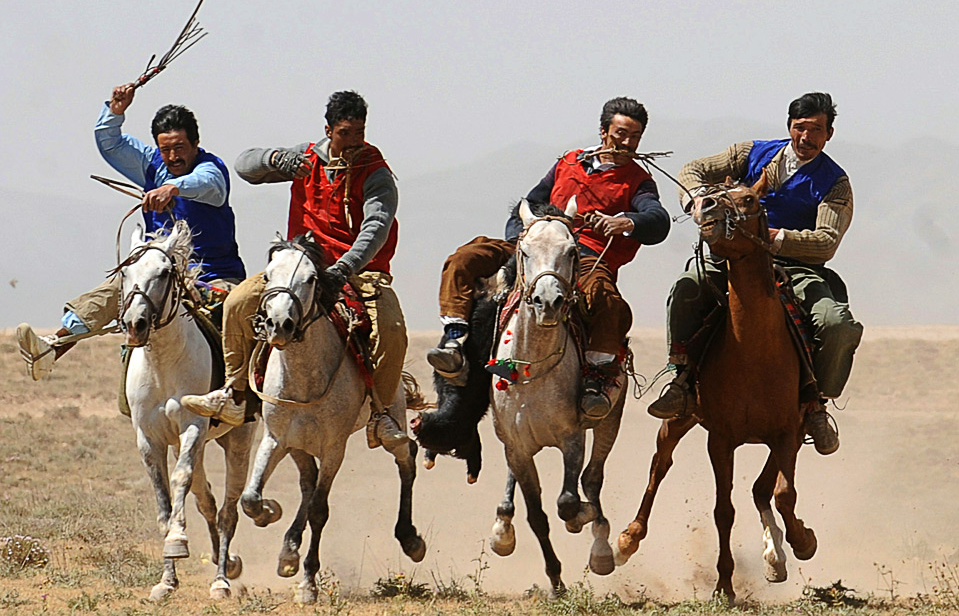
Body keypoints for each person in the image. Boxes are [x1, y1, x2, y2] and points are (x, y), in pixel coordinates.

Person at [180, 90, 409, 448]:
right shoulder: (306, 158)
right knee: (238, 301)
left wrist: (345, 267)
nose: (353, 142)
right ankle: (234, 393)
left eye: (359, 132)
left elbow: (376, 227)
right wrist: (277, 159)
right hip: (298, 265)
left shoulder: (375, 172)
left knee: (392, 328)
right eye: (345, 133)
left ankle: (381, 414)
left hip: (358, 270)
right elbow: (244, 165)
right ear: (329, 130)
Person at [646, 92, 863, 456]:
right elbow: (692, 171)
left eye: (816, 130)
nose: (806, 138)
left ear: (830, 134)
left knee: (836, 323)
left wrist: (774, 238)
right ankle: (681, 378)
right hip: (733, 256)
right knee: (688, 287)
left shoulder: (835, 183)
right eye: (800, 128)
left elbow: (826, 242)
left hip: (795, 268)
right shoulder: (749, 153)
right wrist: (697, 201)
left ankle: (814, 405)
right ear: (789, 126)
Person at [428, 96, 670, 419]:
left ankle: (595, 383)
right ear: (603, 131)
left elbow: (658, 219)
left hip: (584, 255)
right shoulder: (567, 163)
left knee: (608, 302)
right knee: (465, 258)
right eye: (621, 134)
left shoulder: (638, 182)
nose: (627, 143)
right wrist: (522, 239)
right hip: (536, 244)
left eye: (635, 137)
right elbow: (528, 202)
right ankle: (454, 342)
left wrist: (625, 221)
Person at [17, 83, 245, 380]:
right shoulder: (151, 164)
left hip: (213, 275)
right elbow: (111, 144)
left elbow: (206, 184)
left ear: (196, 143)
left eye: (180, 148)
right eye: (166, 149)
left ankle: (237, 393)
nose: (173, 156)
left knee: (236, 314)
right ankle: (52, 348)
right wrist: (115, 111)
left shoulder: (212, 169)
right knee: (114, 289)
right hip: (161, 272)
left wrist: (172, 188)